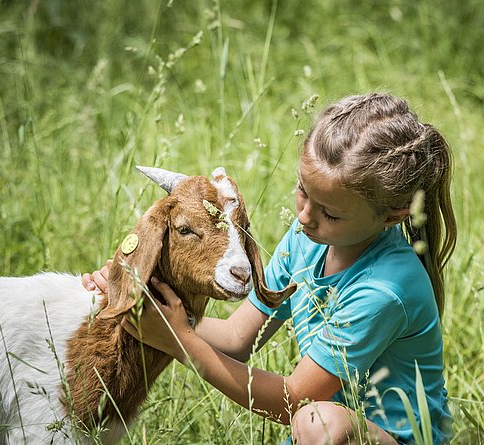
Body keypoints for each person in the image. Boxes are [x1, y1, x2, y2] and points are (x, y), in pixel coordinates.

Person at [83, 93, 457, 444]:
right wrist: (143, 308)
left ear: (393, 215)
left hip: (384, 437)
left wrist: (179, 341)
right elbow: (236, 337)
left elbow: (295, 401)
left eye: (330, 213)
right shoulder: (310, 239)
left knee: (319, 423)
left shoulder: (385, 290)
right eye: (302, 191)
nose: (305, 216)